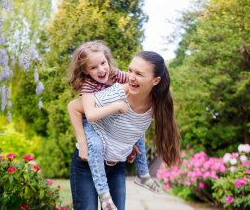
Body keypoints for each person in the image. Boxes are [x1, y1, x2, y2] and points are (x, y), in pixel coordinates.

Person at [68, 49, 179, 210]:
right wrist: (83, 143)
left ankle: (144, 176)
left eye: (139, 74)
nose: (131, 77)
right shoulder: (115, 94)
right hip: (86, 165)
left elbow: (134, 125)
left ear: (155, 81)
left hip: (116, 167)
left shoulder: (158, 106)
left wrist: (127, 143)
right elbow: (73, 107)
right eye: (130, 71)